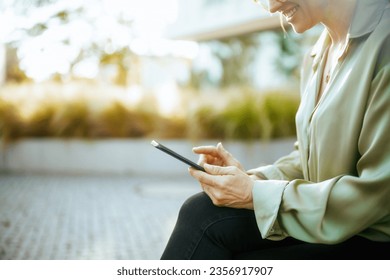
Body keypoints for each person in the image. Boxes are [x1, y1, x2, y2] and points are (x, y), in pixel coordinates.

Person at [161, 0, 390, 260]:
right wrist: (251, 180)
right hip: (327, 223)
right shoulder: (320, 52)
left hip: (370, 239)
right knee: (201, 212)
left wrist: (254, 194)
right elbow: (307, 159)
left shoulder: (385, 42)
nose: (270, 7)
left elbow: (377, 197)